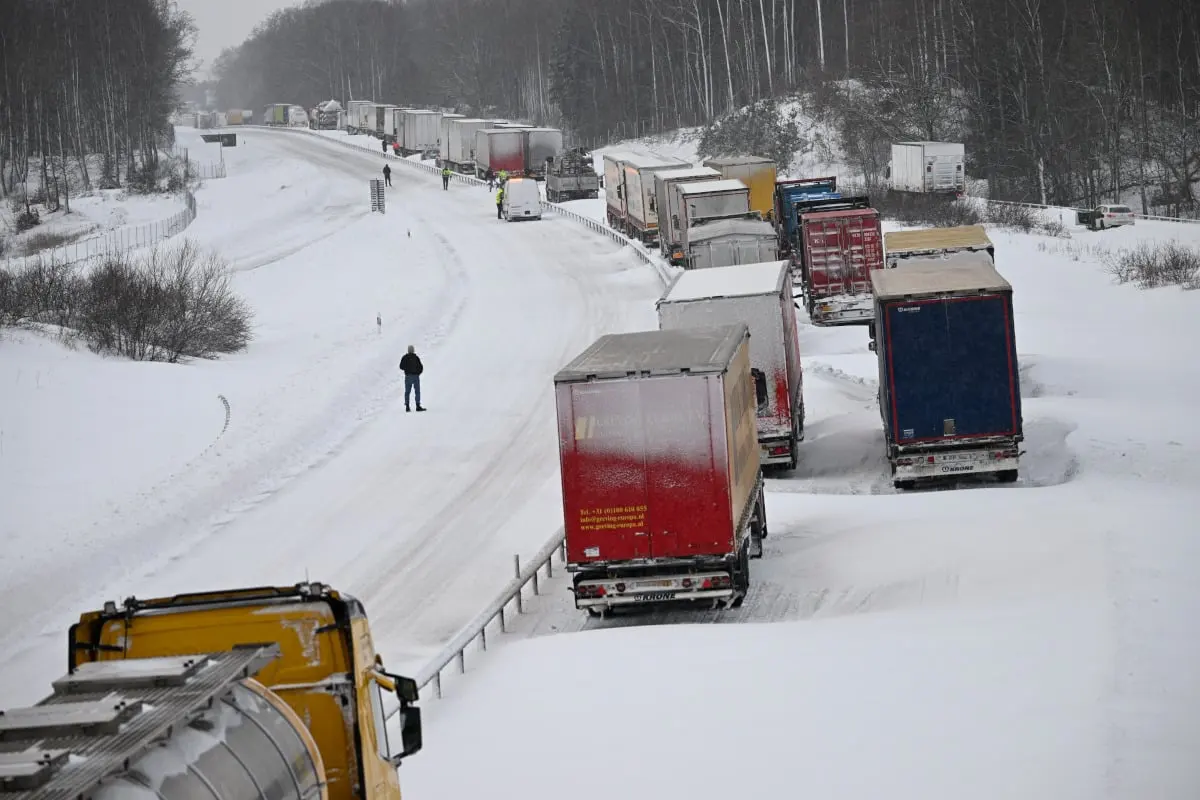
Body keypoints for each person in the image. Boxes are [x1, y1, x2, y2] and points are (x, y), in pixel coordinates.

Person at [398, 345, 425, 412]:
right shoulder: (416, 358)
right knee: (417, 391)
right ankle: (418, 406)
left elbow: (401, 366)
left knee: (407, 392)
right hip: (416, 376)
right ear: (413, 350)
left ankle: (407, 406)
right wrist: (418, 373)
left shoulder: (405, 357)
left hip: (408, 376)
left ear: (408, 350)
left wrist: (406, 369)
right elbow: (421, 367)